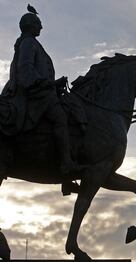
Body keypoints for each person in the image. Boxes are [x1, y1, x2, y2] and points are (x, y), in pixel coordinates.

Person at [2, 8, 79, 175]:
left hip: (40, 90)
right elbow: (26, 68)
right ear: (31, 25)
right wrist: (45, 84)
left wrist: (53, 84)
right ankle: (66, 162)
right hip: (34, 93)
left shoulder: (28, 42)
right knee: (60, 117)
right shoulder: (29, 43)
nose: (41, 28)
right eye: (39, 24)